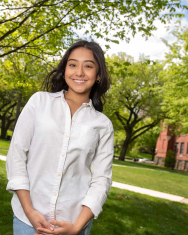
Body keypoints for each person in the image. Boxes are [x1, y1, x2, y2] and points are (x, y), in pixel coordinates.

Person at [6, 40, 114, 235]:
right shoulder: (39, 102)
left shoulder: (103, 124)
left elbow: (102, 179)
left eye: (88, 66)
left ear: (98, 75)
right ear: (65, 70)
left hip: (74, 224)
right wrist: (29, 211)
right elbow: (16, 156)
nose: (79, 72)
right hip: (27, 221)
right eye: (72, 65)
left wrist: (76, 227)